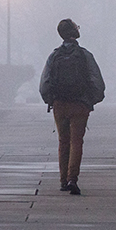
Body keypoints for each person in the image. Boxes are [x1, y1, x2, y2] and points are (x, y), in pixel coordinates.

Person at [38, 18, 105, 195]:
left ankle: (62, 180)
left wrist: (51, 100)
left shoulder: (54, 56)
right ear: (75, 32)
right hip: (80, 104)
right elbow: (97, 81)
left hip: (60, 104)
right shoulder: (84, 55)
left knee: (63, 141)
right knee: (77, 142)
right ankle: (72, 179)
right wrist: (92, 100)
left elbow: (44, 83)